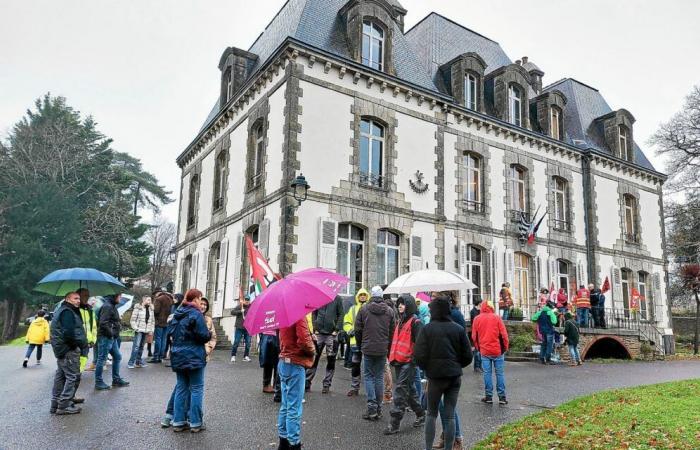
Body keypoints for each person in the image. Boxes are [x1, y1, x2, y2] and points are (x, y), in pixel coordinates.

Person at [414, 295, 472, 450]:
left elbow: (418, 354)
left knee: (431, 414)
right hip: (454, 377)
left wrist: (427, 368)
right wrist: (456, 365)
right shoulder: (458, 329)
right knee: (450, 414)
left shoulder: (427, 329)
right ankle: (449, 447)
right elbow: (468, 356)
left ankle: (427, 448)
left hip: (435, 377)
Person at [168, 289, 211, 433]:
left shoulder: (177, 314)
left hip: (178, 355)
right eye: (199, 298)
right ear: (195, 299)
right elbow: (203, 335)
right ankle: (195, 422)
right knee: (197, 388)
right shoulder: (196, 314)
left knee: (181, 388)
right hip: (194, 356)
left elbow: (171, 333)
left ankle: (178, 421)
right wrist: (209, 333)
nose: (200, 302)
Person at [384, 294, 425, 435]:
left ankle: (394, 423)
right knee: (410, 392)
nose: (400, 306)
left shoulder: (416, 322)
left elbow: (420, 343)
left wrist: (414, 359)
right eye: (399, 304)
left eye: (403, 304)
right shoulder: (400, 320)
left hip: (408, 362)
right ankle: (421, 414)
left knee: (400, 391)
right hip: (398, 361)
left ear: (409, 305)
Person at [354, 285, 395, 420]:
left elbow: (358, 329)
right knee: (378, 377)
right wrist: (388, 348)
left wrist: (361, 345)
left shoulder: (364, 309)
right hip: (382, 349)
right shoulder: (389, 311)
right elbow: (392, 331)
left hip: (367, 348)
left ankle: (371, 407)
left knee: (368, 377)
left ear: (371, 295)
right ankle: (378, 407)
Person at [277, 315, 316, 450]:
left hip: (284, 361)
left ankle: (283, 443)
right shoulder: (298, 315)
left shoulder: (284, 315)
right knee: (294, 408)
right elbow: (304, 341)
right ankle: (294, 444)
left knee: (286, 406)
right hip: (295, 364)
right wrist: (313, 348)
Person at [50, 292, 88, 415]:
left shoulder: (64, 310)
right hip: (67, 349)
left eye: (79, 298)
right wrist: (73, 346)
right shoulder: (67, 312)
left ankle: (55, 403)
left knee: (60, 376)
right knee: (72, 376)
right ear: (67, 299)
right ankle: (64, 404)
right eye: (75, 298)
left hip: (61, 348)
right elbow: (68, 332)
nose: (78, 300)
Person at [472, 300, 509, 406]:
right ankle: (502, 397)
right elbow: (504, 335)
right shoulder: (497, 318)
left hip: (484, 350)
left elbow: (474, 337)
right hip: (498, 350)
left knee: (487, 374)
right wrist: (505, 347)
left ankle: (488, 397)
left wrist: (479, 348)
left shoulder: (477, 319)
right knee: (499, 373)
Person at [306, 295, 343, 394]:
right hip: (319, 334)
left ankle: (326, 384)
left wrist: (336, 329)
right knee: (313, 358)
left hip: (331, 335)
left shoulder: (338, 299)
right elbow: (314, 313)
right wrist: (315, 327)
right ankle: (307, 382)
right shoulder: (319, 297)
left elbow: (341, 315)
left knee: (331, 361)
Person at [95, 294, 130, 390]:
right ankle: (98, 382)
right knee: (102, 359)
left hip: (112, 337)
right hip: (106, 337)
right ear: (114, 296)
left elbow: (112, 321)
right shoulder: (107, 306)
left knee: (117, 356)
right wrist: (111, 333)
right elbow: (103, 323)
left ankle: (116, 379)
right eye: (119, 296)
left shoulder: (111, 306)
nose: (120, 298)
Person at [343, 288, 369, 396]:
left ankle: (369, 391)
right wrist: (350, 330)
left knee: (368, 367)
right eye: (361, 295)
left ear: (367, 296)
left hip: (367, 342)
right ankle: (355, 388)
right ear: (358, 297)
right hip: (355, 342)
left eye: (364, 295)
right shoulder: (353, 309)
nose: (362, 296)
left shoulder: (370, 308)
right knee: (355, 366)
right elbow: (346, 322)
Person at [128, 296, 155, 368]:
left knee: (141, 347)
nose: (150, 301)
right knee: (136, 346)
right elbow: (132, 320)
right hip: (139, 330)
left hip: (146, 331)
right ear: (144, 300)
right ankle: (130, 363)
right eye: (148, 300)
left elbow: (152, 321)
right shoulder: (138, 308)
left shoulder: (151, 309)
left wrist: (151, 330)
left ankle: (138, 362)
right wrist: (136, 328)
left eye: (150, 300)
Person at [76, 288, 97, 373]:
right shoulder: (73, 310)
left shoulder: (90, 310)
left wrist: (93, 340)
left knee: (83, 359)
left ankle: (78, 375)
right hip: (76, 342)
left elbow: (93, 327)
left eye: (88, 295)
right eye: (84, 295)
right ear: (78, 296)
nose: (87, 297)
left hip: (87, 342)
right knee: (73, 362)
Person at [150, 291, 174, 363]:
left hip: (159, 322)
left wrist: (152, 308)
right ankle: (161, 356)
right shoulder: (170, 299)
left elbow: (156, 311)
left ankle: (156, 357)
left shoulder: (158, 299)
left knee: (158, 339)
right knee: (164, 340)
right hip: (167, 322)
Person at [230, 296, 252, 363]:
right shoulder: (240, 306)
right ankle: (233, 356)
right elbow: (232, 312)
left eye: (248, 300)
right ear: (244, 300)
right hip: (239, 327)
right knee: (236, 342)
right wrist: (240, 311)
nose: (247, 301)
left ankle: (246, 356)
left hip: (247, 327)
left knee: (248, 343)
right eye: (246, 299)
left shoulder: (251, 307)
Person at [469, 299, 483, 373]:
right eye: (482, 303)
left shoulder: (480, 311)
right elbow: (475, 322)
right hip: (476, 333)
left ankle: (480, 366)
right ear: (479, 303)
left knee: (480, 351)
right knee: (477, 351)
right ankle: (476, 367)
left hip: (480, 333)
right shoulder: (473, 311)